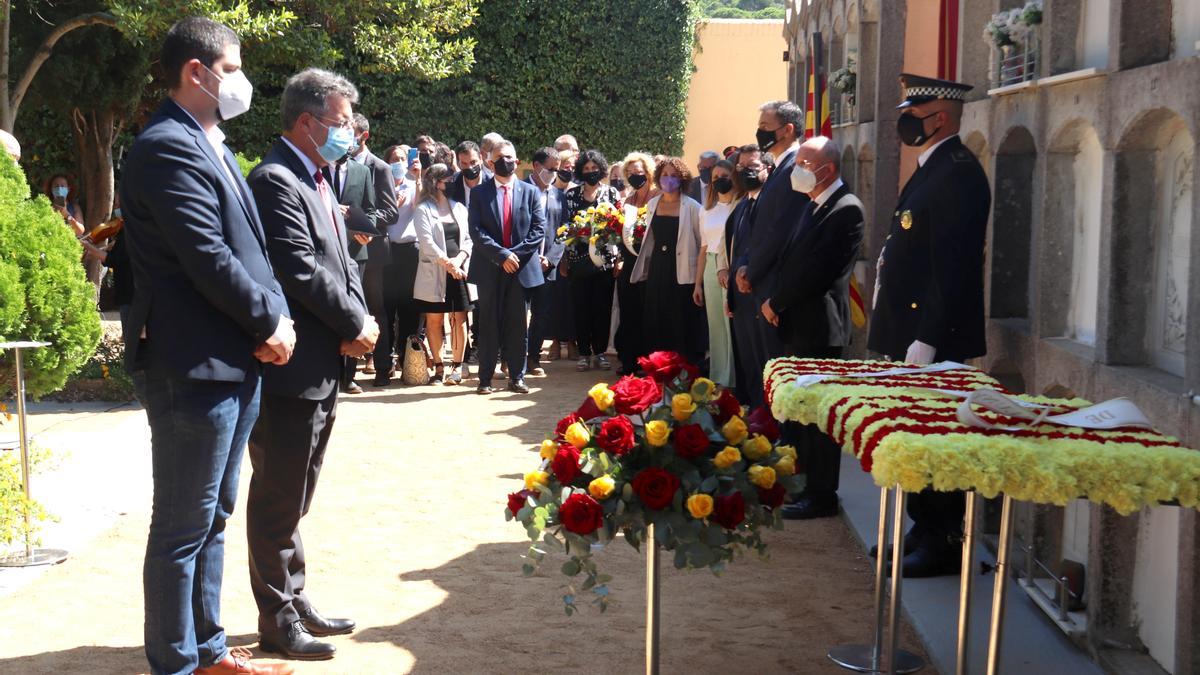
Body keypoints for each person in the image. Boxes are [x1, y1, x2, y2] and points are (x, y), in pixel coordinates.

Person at [119, 17, 295, 675]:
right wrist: (268, 323)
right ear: (196, 71)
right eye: (234, 67)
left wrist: (276, 316)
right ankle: (175, 661)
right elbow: (208, 256)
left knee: (212, 515)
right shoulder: (167, 146)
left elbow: (253, 248)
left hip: (230, 362)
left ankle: (208, 647)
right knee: (182, 526)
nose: (241, 81)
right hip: (191, 365)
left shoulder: (209, 141)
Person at [246, 68, 377, 661]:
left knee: (297, 491)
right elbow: (299, 271)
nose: (349, 133)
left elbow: (343, 264)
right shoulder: (276, 179)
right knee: (278, 493)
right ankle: (275, 617)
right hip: (291, 370)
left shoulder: (317, 177)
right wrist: (354, 324)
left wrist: (362, 322)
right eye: (342, 122)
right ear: (307, 122)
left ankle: (295, 601)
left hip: (322, 364)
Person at [867, 74, 991, 577]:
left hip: (932, 333)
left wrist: (929, 336)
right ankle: (923, 526)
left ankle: (942, 538)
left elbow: (954, 264)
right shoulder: (931, 167)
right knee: (918, 431)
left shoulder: (959, 171)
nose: (906, 120)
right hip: (912, 328)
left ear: (941, 117)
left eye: (915, 112)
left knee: (937, 432)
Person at [759, 136, 864, 521]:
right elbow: (792, 261)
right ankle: (803, 483)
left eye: (804, 163)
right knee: (800, 412)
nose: (797, 170)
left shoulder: (845, 209)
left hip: (821, 328)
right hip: (798, 323)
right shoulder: (813, 204)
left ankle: (822, 493)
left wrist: (777, 301)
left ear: (828, 170)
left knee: (819, 417)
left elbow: (817, 272)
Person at [737, 100, 808, 398]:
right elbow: (761, 228)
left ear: (788, 130)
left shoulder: (795, 168)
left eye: (766, 127)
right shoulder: (781, 168)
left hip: (773, 284)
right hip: (760, 278)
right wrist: (745, 264)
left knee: (777, 373)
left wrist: (752, 270)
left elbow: (780, 231)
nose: (760, 133)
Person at [467, 139, 546, 394]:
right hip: (490, 267)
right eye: (501, 158)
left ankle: (517, 377)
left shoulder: (531, 192)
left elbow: (538, 230)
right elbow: (476, 231)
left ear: (517, 160)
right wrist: (501, 255)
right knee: (488, 324)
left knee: (517, 325)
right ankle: (485, 379)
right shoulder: (480, 193)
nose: (506, 162)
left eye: (510, 157)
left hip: (520, 270)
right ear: (490, 162)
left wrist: (514, 256)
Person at [630, 156, 705, 364]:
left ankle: (683, 369)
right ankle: (657, 367)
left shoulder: (692, 207)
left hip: (682, 272)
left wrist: (698, 283)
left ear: (682, 179)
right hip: (657, 268)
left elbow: (702, 247)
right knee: (656, 316)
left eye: (674, 176)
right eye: (665, 175)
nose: (669, 179)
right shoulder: (653, 204)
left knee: (680, 320)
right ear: (658, 177)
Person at [346, 117, 399, 387]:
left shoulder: (380, 167)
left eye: (351, 133)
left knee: (375, 308)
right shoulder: (336, 165)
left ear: (364, 135)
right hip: (345, 249)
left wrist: (363, 224)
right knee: (348, 306)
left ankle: (382, 366)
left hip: (374, 250)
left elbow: (391, 211)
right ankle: (348, 374)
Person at [560, 149, 622, 371]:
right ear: (580, 171)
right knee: (581, 308)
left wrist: (618, 260)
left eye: (594, 168)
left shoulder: (612, 194)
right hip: (578, 260)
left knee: (602, 309)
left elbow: (619, 226)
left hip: (604, 262)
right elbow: (565, 228)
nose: (591, 172)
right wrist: (565, 259)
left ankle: (601, 352)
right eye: (586, 169)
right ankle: (584, 353)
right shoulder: (571, 195)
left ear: (601, 169)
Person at [413, 163, 473, 385]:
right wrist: (449, 264)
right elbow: (427, 243)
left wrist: (459, 260)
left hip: (459, 271)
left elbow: (468, 239)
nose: (451, 184)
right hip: (436, 271)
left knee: (459, 318)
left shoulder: (459, 207)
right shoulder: (422, 209)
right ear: (435, 182)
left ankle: (457, 367)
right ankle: (439, 368)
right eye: (447, 180)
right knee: (434, 320)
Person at [727, 144, 774, 405]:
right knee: (750, 366)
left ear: (768, 169)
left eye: (752, 168)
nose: (745, 173)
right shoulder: (743, 205)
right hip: (741, 299)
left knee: (765, 366)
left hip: (761, 296)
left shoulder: (770, 204)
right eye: (741, 168)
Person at [376, 140, 422, 387]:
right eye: (394, 160)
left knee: (409, 310)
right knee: (385, 309)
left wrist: (417, 177)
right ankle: (383, 365)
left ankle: (408, 362)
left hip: (410, 252)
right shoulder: (379, 185)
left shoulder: (415, 184)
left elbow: (422, 206)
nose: (398, 164)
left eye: (402, 159)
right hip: (385, 252)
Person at [693, 158, 740, 386]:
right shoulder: (706, 210)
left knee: (730, 321)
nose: (720, 181)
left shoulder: (739, 206)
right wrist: (697, 283)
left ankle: (734, 377)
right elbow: (703, 248)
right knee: (716, 326)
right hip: (710, 267)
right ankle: (719, 377)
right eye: (715, 178)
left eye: (724, 176)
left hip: (730, 267)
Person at [525, 146, 567, 376]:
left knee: (541, 313)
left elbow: (564, 230)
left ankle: (533, 358)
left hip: (546, 266)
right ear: (537, 166)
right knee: (518, 314)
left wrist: (550, 259)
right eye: (551, 169)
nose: (554, 174)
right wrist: (531, 257)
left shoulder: (558, 195)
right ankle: (513, 357)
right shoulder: (520, 190)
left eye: (557, 170)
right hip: (522, 264)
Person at [614, 151, 656, 375]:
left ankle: (647, 362)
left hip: (650, 262)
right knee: (629, 312)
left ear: (648, 173)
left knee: (646, 312)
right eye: (629, 173)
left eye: (637, 172)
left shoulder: (658, 197)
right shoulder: (627, 201)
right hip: (629, 262)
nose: (633, 176)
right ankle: (629, 360)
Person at [543, 147, 577, 362]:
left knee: (571, 300)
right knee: (553, 300)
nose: (569, 170)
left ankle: (572, 341)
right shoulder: (550, 191)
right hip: (551, 253)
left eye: (572, 167)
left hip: (573, 253)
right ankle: (555, 341)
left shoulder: (577, 191)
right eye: (565, 167)